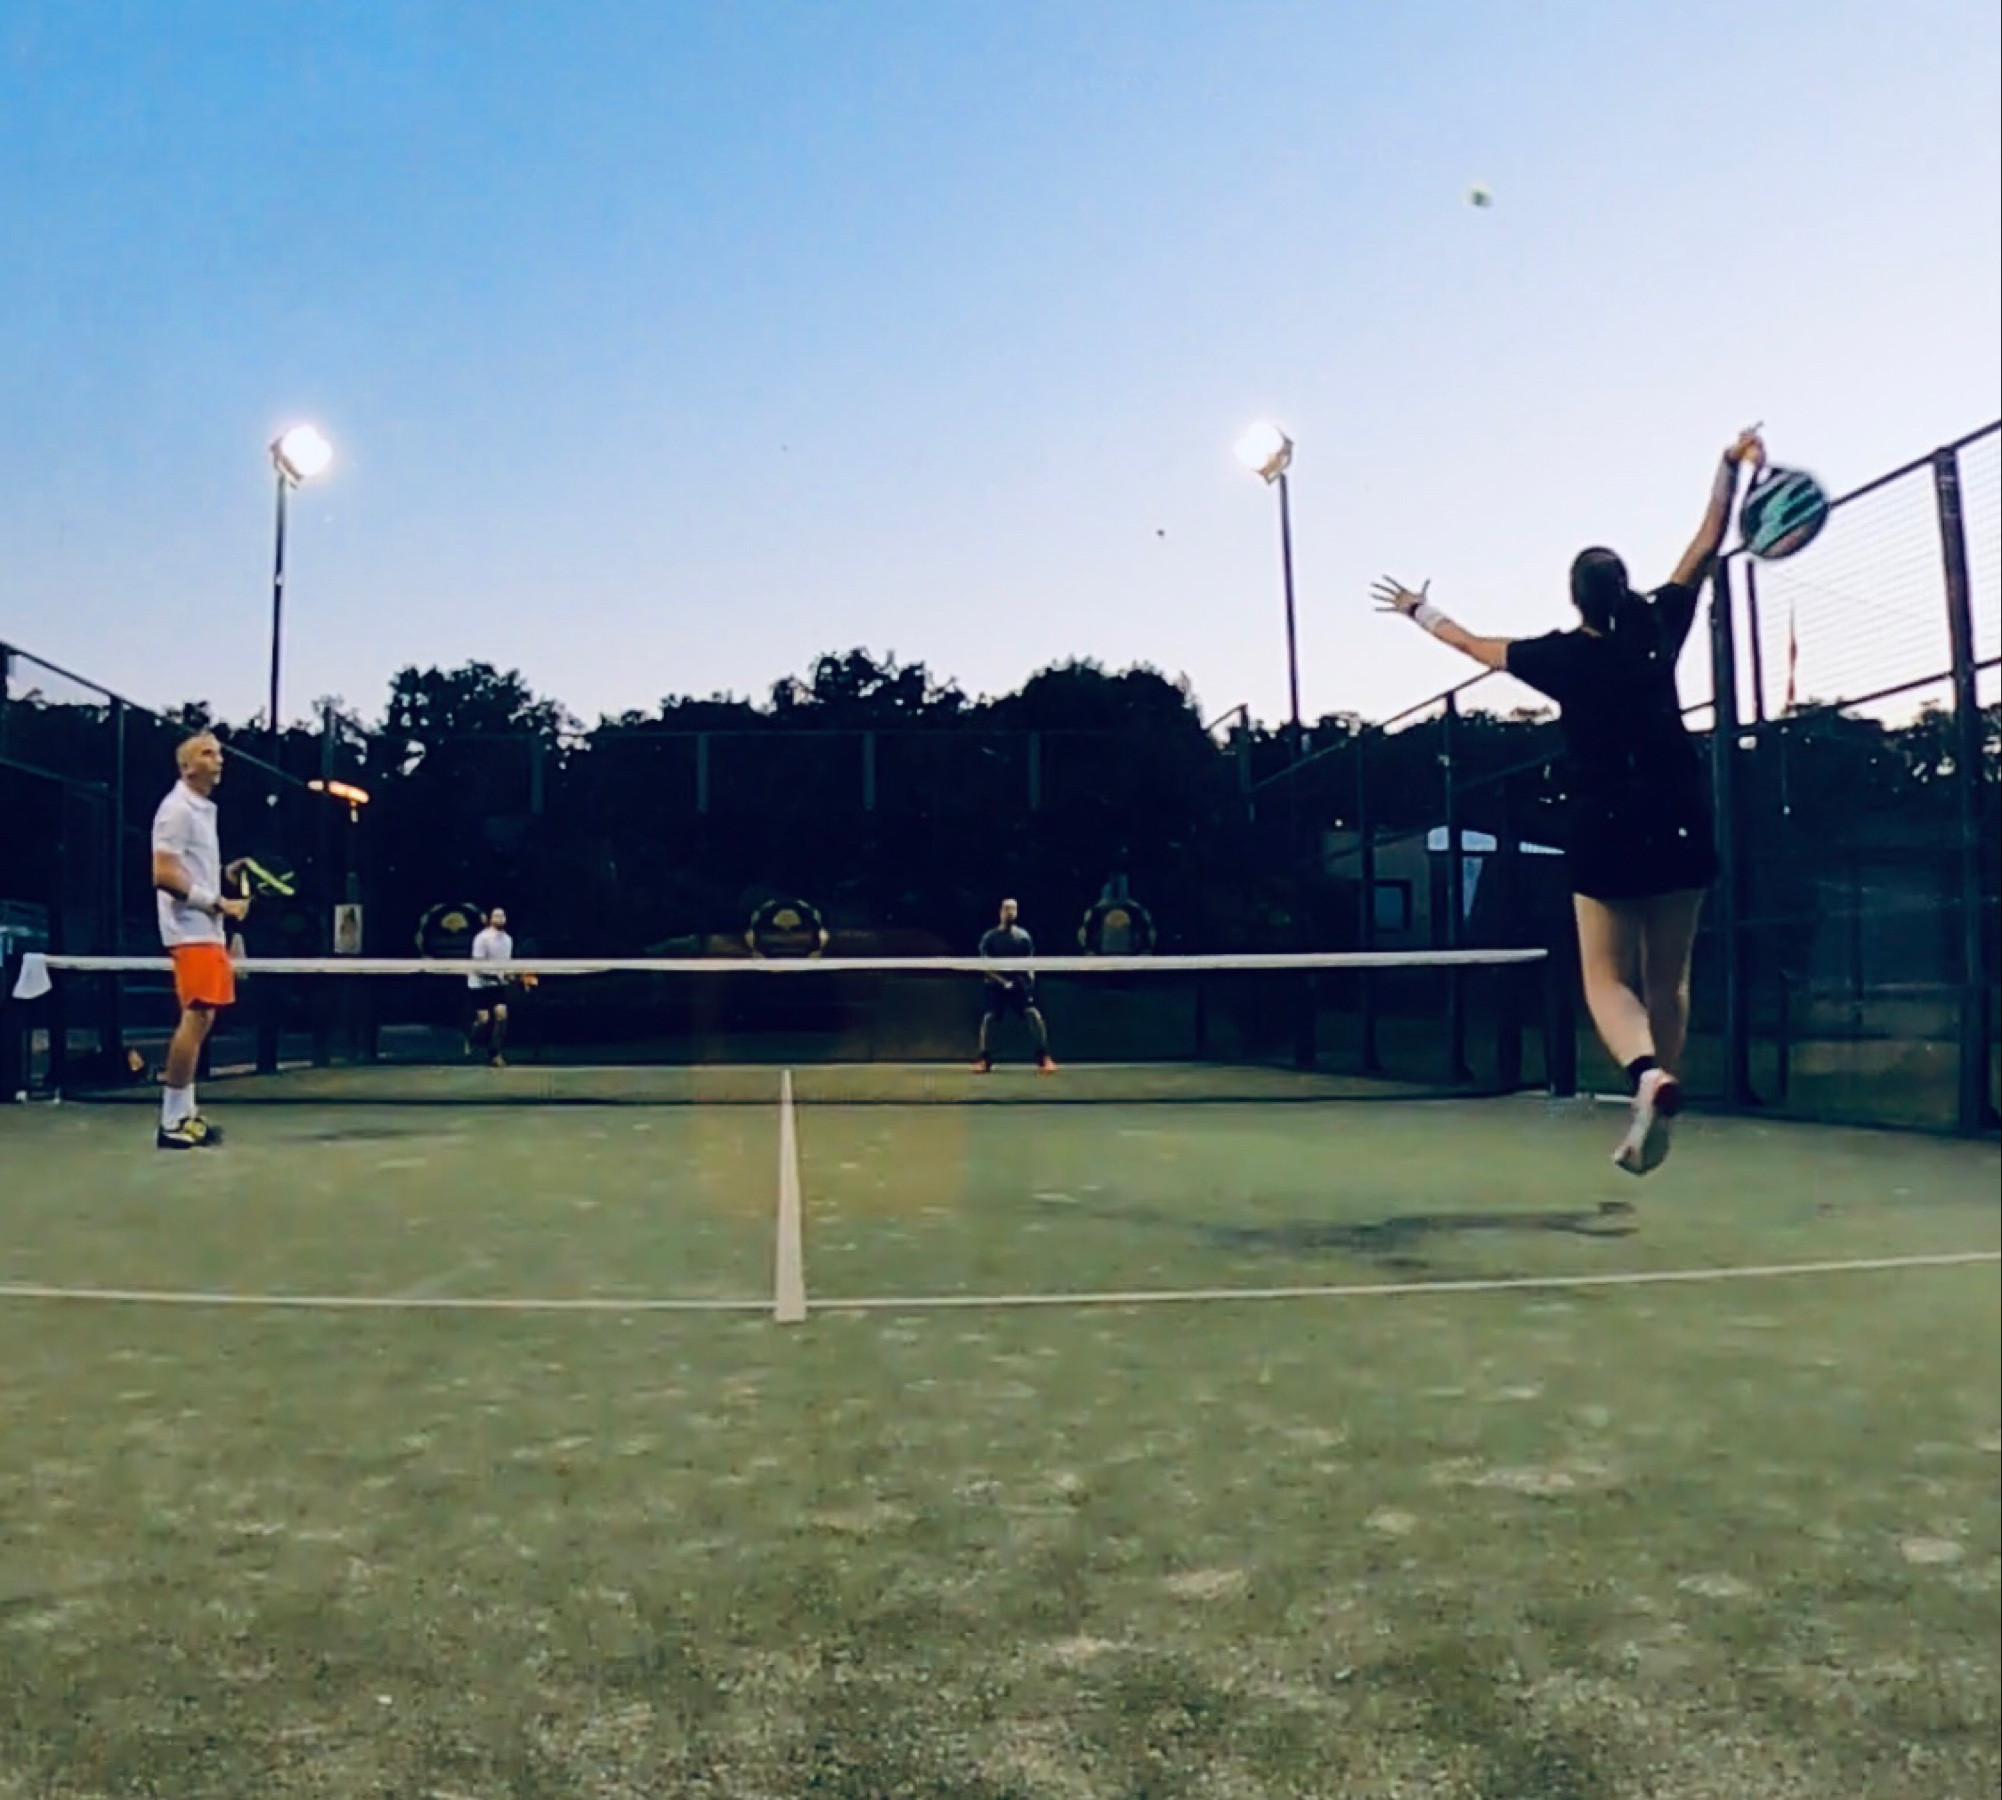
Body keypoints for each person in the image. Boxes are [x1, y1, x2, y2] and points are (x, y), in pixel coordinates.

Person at [1371, 427, 1766, 1175]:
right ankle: (1660, 1093)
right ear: (1626, 587)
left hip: (1606, 823)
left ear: (1575, 599)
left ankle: (1646, 1078)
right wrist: (1727, 464)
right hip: (1680, 814)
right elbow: (1709, 538)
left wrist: (1419, 609)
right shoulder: (1659, 624)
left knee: (1604, 979)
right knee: (1667, 980)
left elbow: (1470, 644)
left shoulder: (1559, 657)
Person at [149, 732, 251, 1149]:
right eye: (207, 754)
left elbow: (190, 868)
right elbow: (164, 873)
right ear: (186, 767)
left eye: (219, 753)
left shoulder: (202, 810)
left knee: (203, 1019)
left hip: (205, 930)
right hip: (190, 930)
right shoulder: (176, 810)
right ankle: (171, 1121)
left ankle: (185, 1114)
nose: (218, 760)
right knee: (196, 1018)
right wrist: (218, 903)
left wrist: (225, 875)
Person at [975, 897, 1055, 1073]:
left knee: (1034, 1015)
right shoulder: (990, 938)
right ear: (1000, 912)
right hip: (996, 985)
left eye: (1013, 909)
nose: (1010, 912)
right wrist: (1003, 982)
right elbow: (984, 966)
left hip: (1019, 985)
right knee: (989, 1019)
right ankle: (984, 1059)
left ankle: (1043, 1057)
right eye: (1006, 909)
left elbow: (1029, 962)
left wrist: (1029, 980)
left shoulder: (1023, 937)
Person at [467, 907, 517, 1067]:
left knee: (502, 1015)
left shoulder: (508, 939)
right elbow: (479, 966)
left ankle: (495, 1053)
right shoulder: (481, 938)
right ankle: (472, 1040)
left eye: (502, 915)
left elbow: (506, 963)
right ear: (489, 919)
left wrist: (511, 974)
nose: (500, 918)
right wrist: (501, 975)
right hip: (479, 984)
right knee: (484, 1019)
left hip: (497, 984)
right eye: (496, 915)